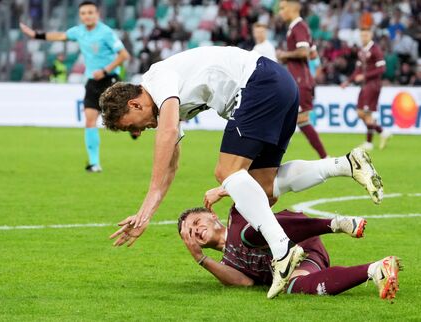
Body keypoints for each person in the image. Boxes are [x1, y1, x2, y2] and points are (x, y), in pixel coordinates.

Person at [99, 46, 383, 299]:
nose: (137, 132)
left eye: (130, 125)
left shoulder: (157, 80)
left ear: (134, 104)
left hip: (258, 84)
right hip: (280, 83)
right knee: (263, 189)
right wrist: (145, 213)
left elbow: (168, 132)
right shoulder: (166, 99)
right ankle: (346, 164)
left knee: (226, 172)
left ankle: (282, 250)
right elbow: (171, 165)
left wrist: (148, 196)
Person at [178, 206, 401, 300]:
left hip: (299, 236)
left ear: (212, 214)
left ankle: (335, 223)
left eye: (196, 221)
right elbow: (245, 283)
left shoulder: (236, 213)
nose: (195, 229)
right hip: (304, 259)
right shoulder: (225, 264)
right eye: (189, 232)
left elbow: (262, 187)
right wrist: (201, 259)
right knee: (292, 287)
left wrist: (228, 186)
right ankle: (377, 269)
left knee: (248, 234)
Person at [20, 1, 130, 173]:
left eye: (90, 12)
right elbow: (59, 36)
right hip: (92, 81)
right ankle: (94, 163)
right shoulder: (78, 31)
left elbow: (124, 55)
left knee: (121, 118)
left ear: (97, 14)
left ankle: (135, 128)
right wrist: (35, 35)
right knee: (89, 119)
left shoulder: (106, 33)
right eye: (84, 13)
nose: (87, 16)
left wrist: (104, 70)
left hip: (110, 78)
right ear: (80, 16)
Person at [277, 0, 328, 159]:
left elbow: (304, 52)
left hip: (300, 81)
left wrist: (285, 55)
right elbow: (312, 53)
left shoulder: (298, 27)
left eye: (283, 8)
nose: (280, 12)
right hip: (298, 79)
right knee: (286, 117)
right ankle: (271, 156)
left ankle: (325, 157)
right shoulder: (298, 28)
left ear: (292, 9)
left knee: (302, 120)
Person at [341, 28, 391, 151]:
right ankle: (381, 132)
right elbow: (357, 70)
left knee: (366, 113)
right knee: (360, 112)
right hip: (365, 85)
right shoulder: (362, 50)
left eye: (366, 35)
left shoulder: (376, 50)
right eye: (362, 35)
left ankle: (371, 141)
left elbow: (382, 69)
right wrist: (348, 81)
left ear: (371, 35)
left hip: (373, 85)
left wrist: (365, 76)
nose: (364, 37)